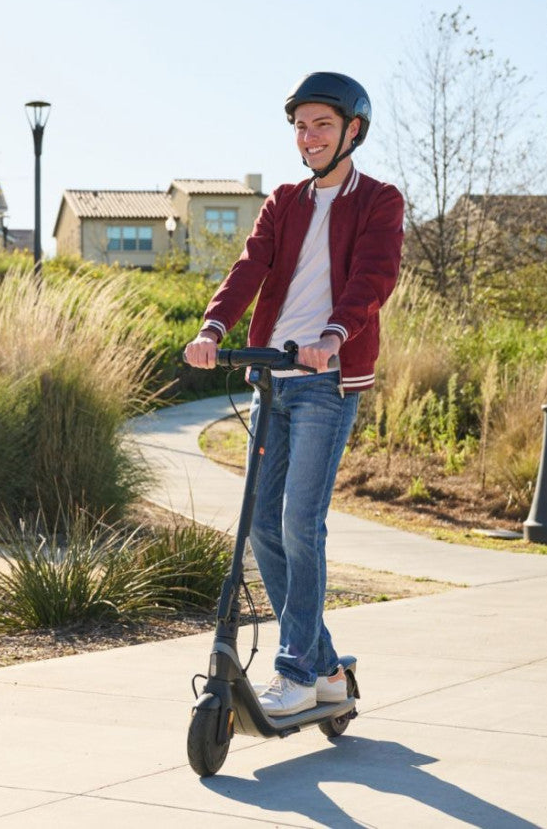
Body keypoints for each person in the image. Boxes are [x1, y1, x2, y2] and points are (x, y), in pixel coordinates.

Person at [183, 72, 404, 716]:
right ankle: (330, 668)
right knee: (261, 527)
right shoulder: (283, 200)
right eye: (301, 126)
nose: (308, 138)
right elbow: (249, 265)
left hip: (327, 383)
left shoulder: (379, 201)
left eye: (323, 126)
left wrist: (334, 335)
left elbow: (373, 277)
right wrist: (213, 327)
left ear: (352, 131)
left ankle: (299, 671)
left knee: (299, 524)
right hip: (272, 383)